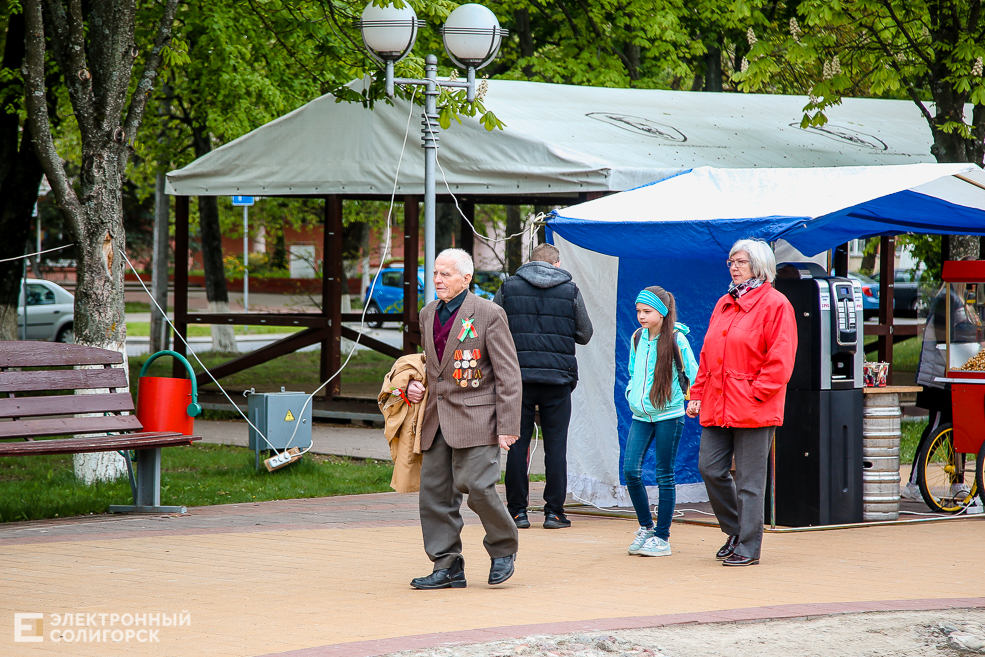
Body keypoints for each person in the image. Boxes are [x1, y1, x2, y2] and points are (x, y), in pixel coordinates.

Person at [405, 248, 522, 589]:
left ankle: (503, 548)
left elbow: (508, 375)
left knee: (479, 487)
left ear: (466, 278)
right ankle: (447, 564)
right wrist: (416, 385)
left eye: (446, 274)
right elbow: (433, 369)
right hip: (436, 418)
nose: (437, 280)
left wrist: (508, 427)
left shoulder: (488, 313)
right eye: (435, 273)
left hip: (478, 419)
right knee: (434, 495)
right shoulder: (428, 314)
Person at [686, 239, 797, 567]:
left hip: (754, 406)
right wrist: (697, 393)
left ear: (759, 266)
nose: (734, 267)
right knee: (710, 467)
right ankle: (737, 529)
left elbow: (781, 357)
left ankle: (748, 546)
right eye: (731, 262)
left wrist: (757, 394)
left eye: (741, 262)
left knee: (750, 482)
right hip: (718, 403)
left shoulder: (775, 304)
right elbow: (708, 355)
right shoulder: (725, 303)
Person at [494, 243, 594, 530]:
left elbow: (492, 325)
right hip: (558, 381)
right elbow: (585, 334)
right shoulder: (571, 290)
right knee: (555, 447)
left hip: (517, 381)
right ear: (557, 264)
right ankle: (554, 513)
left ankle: (517, 513)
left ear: (529, 263)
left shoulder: (508, 288)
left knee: (516, 445)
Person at [623, 286, 698, 557]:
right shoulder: (636, 338)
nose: (641, 316)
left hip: (669, 415)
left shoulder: (678, 340)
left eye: (647, 311)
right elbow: (632, 371)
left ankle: (662, 537)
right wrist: (631, 393)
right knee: (631, 470)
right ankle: (646, 527)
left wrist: (692, 400)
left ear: (662, 313)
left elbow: (693, 373)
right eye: (639, 311)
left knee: (664, 474)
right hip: (640, 415)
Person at [906, 274, 983, 500]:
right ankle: (913, 484)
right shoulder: (946, 299)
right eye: (972, 284)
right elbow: (944, 339)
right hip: (938, 378)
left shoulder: (961, 303)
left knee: (955, 432)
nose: (974, 290)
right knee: (935, 428)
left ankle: (956, 482)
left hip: (954, 378)